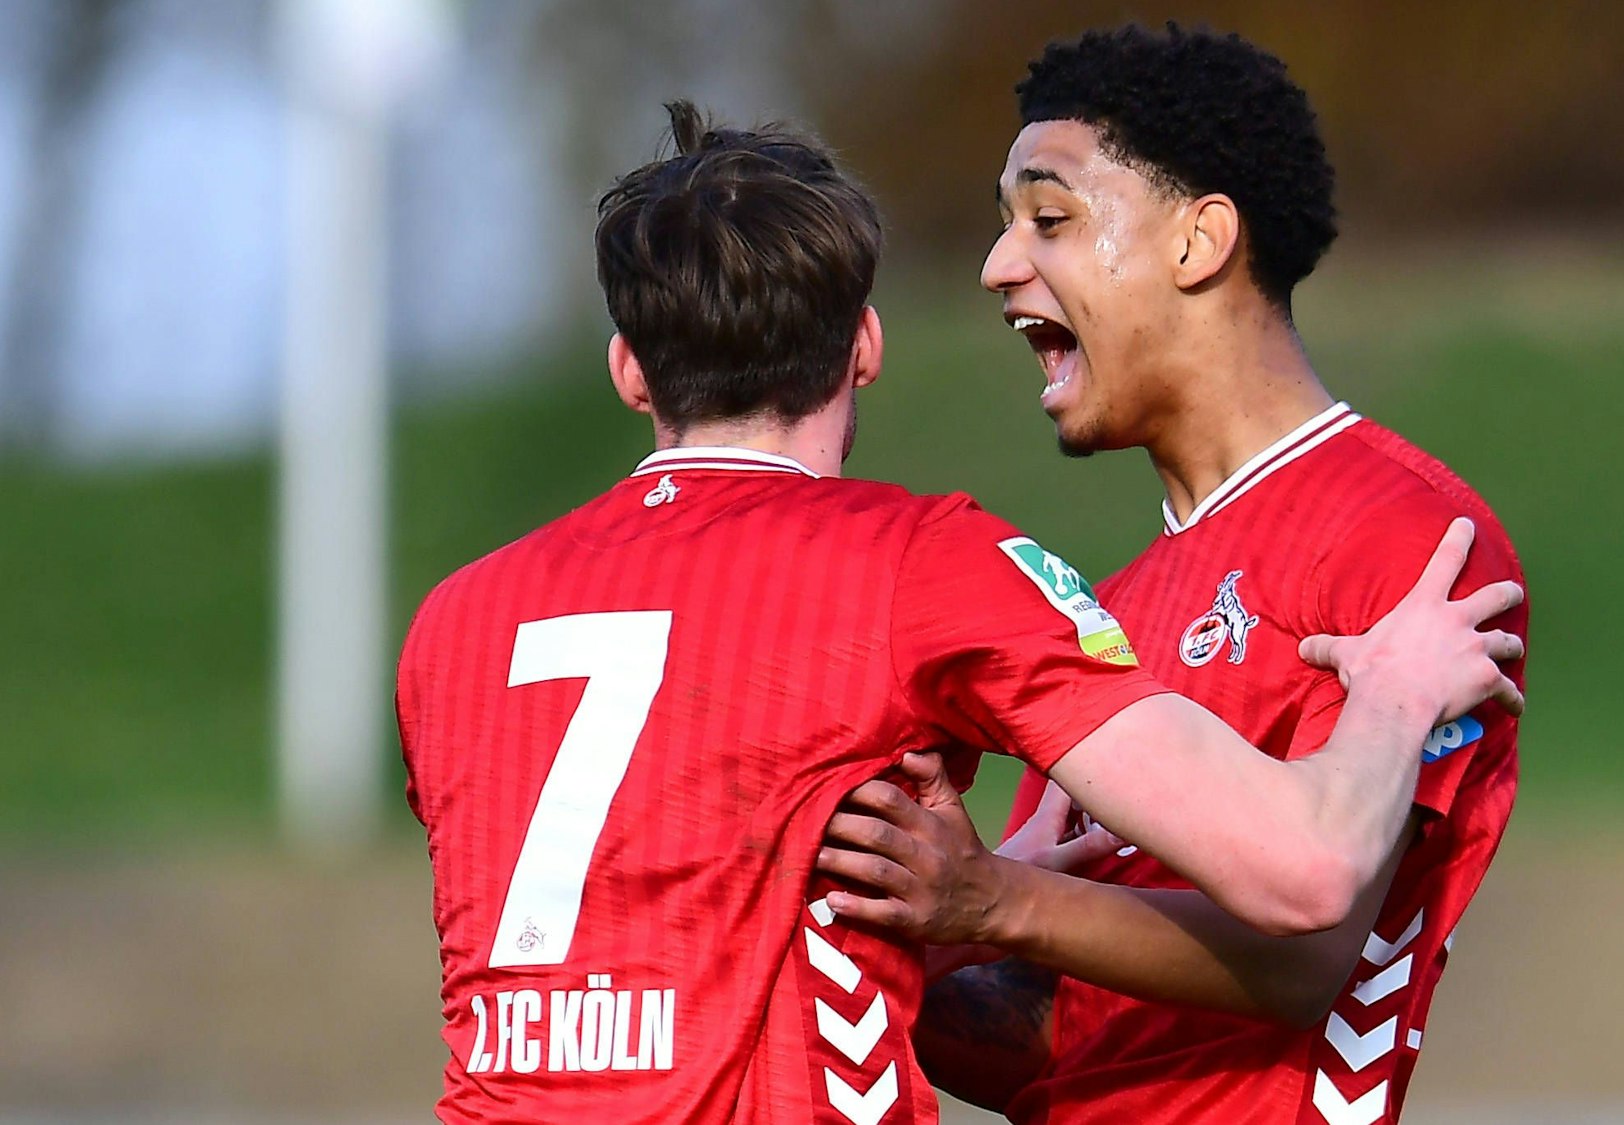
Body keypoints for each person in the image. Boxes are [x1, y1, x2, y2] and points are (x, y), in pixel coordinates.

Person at [395, 101, 1524, 1124]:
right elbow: (1306, 878)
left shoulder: (452, 626)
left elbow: (689, 936)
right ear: (865, 348)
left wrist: (970, 898)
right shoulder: (919, 564)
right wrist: (1391, 692)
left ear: (629, 370)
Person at [814, 24, 1531, 1125]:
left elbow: (1309, 952)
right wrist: (881, 912)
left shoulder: (1409, 544)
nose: (998, 266)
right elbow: (1056, 1035)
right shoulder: (1102, 615)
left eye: (1048, 219)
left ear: (1200, 240)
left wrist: (992, 897)